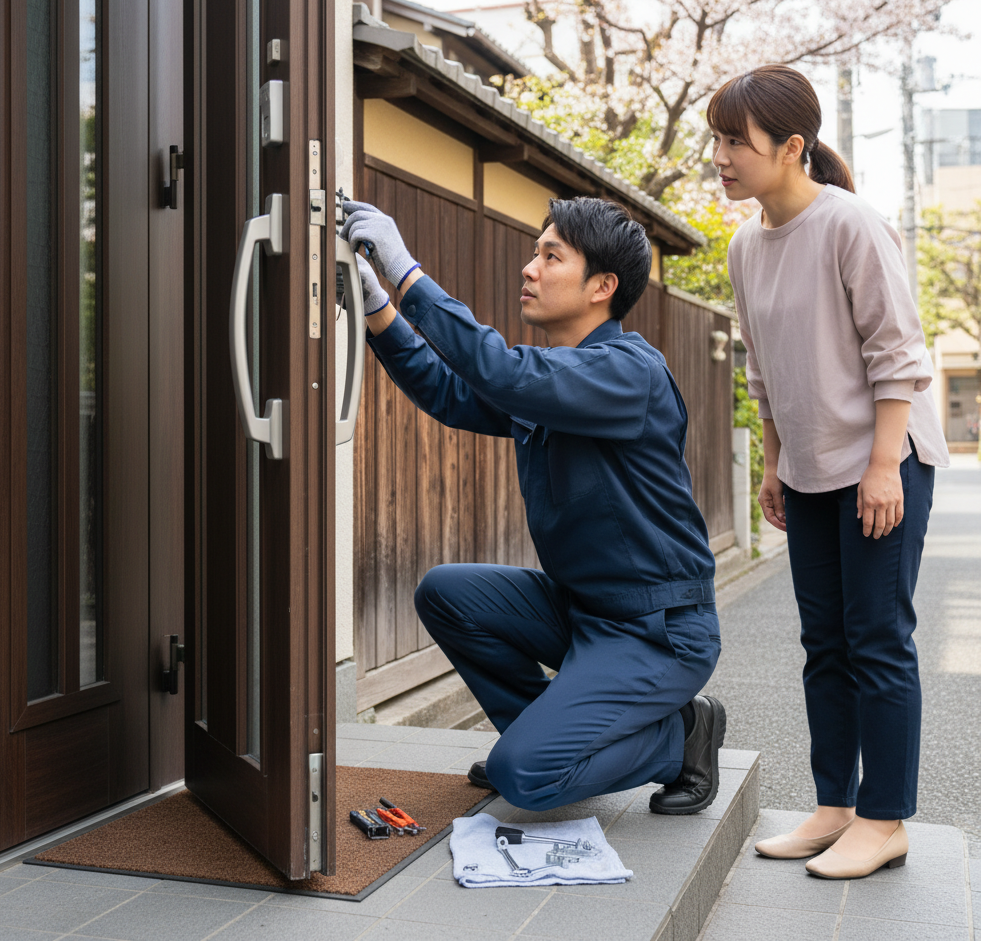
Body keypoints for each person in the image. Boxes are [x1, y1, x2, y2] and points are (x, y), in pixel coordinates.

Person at [338, 194, 726, 815]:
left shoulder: (630, 374)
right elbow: (448, 391)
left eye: (552, 256)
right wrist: (376, 305)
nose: (530, 267)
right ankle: (534, 742)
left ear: (602, 286)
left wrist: (404, 272)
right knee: (447, 591)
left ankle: (680, 739)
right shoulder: (558, 377)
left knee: (525, 780)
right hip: (585, 614)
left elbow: (504, 374)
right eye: (534, 252)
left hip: (658, 632)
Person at [710, 65, 949, 879]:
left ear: (792, 147)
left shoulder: (851, 225)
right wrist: (774, 467)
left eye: (735, 140)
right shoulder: (747, 244)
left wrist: (884, 468)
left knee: (878, 640)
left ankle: (885, 820)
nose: (721, 154)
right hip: (811, 470)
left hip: (881, 463)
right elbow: (765, 373)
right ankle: (834, 807)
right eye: (718, 138)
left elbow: (899, 356)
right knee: (823, 644)